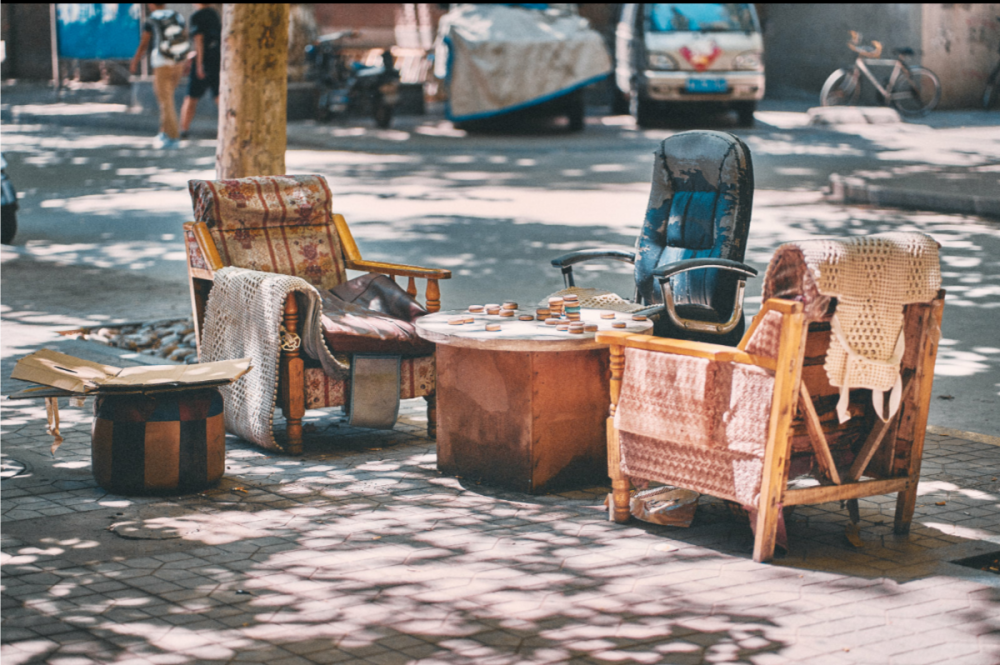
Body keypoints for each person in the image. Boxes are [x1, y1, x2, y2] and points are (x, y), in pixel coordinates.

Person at [130, 4, 191, 149]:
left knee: (165, 101)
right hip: (178, 62)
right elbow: (185, 35)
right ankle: (163, 132)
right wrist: (185, 59)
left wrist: (135, 61)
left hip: (162, 63)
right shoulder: (176, 16)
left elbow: (144, 43)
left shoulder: (151, 19)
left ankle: (174, 137)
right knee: (167, 99)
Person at [179, 4, 222, 140]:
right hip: (217, 59)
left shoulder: (197, 16)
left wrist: (199, 65)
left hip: (203, 62)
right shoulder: (215, 14)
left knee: (191, 98)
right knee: (219, 96)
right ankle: (230, 127)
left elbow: (199, 40)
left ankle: (183, 131)